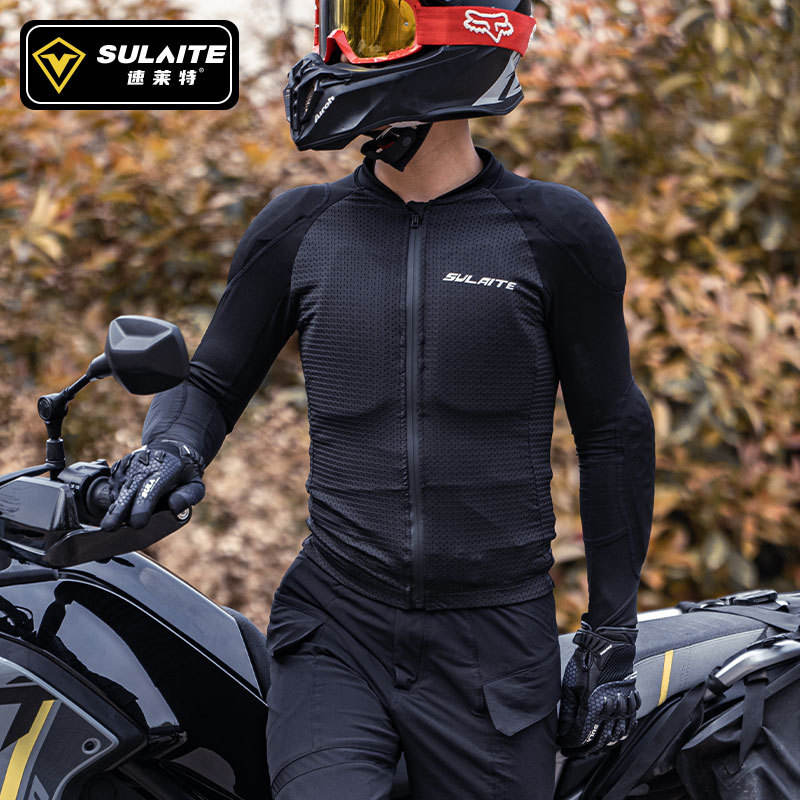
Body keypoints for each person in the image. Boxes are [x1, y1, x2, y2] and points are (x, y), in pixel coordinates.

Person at [101, 0, 656, 796]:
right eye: (337, 22)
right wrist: (170, 445)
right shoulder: (300, 228)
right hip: (336, 626)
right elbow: (211, 382)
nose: (336, 49)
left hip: (496, 647)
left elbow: (613, 435)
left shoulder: (553, 232)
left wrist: (612, 637)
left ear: (468, 33)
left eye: (371, 23)